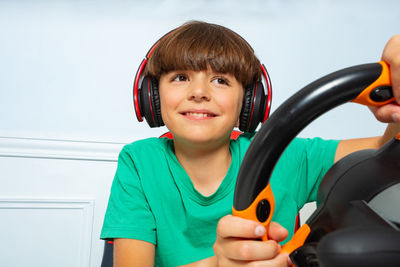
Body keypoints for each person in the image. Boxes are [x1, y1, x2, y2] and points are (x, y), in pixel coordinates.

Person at [100, 21, 400, 266]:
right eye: (180, 77)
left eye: (221, 81)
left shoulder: (282, 152)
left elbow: (387, 152)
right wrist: (218, 264)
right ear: (152, 96)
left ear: (250, 103)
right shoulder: (138, 161)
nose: (199, 92)